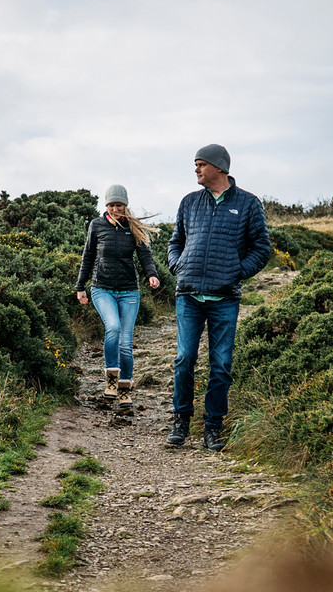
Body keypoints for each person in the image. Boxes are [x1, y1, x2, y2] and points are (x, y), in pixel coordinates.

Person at [167, 144, 272, 450]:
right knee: (184, 358)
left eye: (201, 164)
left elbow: (261, 248)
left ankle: (213, 426)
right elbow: (176, 242)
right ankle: (181, 422)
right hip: (188, 294)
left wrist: (236, 272)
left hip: (225, 297)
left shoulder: (249, 204)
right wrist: (178, 265)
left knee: (221, 364)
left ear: (219, 167)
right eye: (195, 165)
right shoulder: (189, 202)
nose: (196, 169)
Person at [75, 184, 161, 410]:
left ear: (125, 205)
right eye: (112, 205)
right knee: (112, 327)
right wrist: (80, 286)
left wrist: (151, 274)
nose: (116, 209)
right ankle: (111, 381)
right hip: (102, 288)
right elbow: (88, 256)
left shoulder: (132, 227)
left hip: (129, 291)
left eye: (120, 205)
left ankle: (124, 391)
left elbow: (145, 255)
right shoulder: (97, 225)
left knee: (125, 343)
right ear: (106, 205)